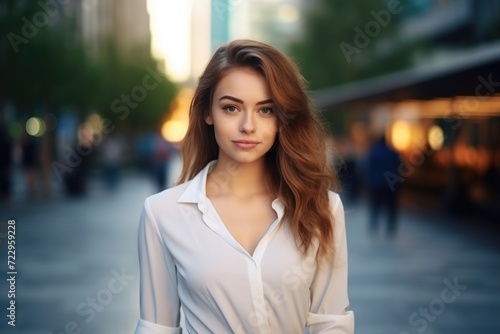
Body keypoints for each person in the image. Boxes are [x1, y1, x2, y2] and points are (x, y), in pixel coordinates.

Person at [134, 39, 354, 334]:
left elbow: (332, 324)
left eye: (266, 110)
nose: (248, 126)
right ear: (208, 113)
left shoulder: (323, 208)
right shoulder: (163, 214)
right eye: (231, 108)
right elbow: (156, 329)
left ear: (282, 118)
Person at [365, 134, 400, 238]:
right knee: (391, 206)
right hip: (390, 184)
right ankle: (391, 225)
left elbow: (368, 168)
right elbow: (399, 168)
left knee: (375, 204)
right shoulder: (393, 153)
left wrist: (369, 181)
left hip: (376, 183)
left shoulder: (374, 152)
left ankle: (374, 223)